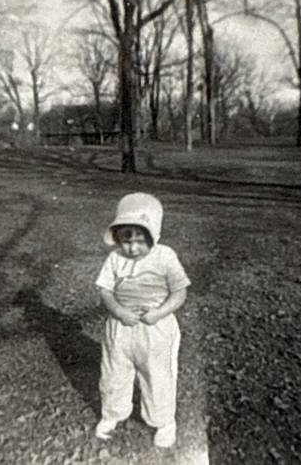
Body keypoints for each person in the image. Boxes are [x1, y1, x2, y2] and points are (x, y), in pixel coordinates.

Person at [95, 192, 191, 448]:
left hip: (155, 326)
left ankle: (163, 421)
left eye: (140, 241)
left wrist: (159, 312)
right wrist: (119, 311)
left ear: (154, 237)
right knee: (114, 372)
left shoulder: (165, 257)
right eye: (127, 241)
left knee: (157, 375)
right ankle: (112, 414)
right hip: (120, 325)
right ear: (118, 238)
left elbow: (179, 292)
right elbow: (105, 290)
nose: (133, 248)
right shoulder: (115, 258)